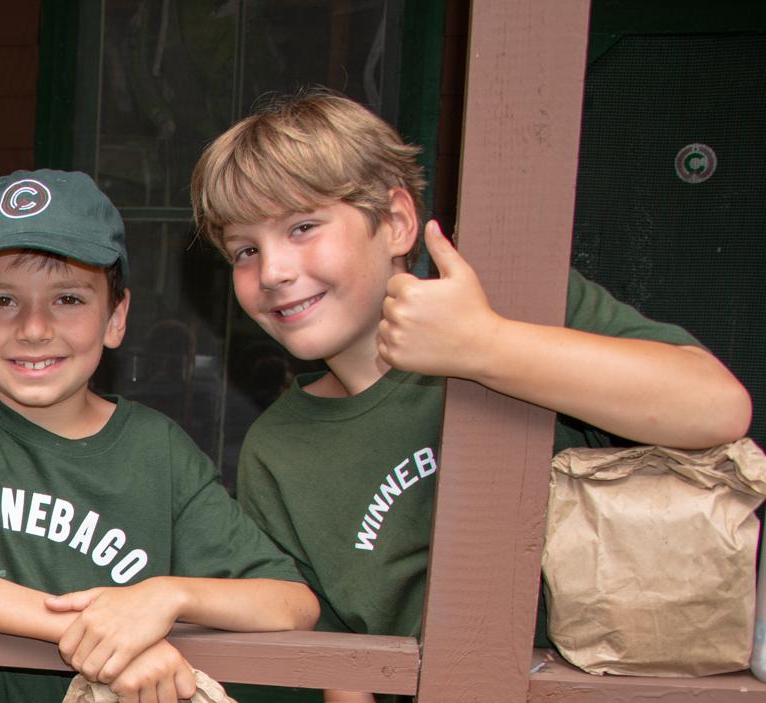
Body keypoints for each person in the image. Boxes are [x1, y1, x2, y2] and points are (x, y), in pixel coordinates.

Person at [189, 89, 752, 702]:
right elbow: (339, 667)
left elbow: (717, 406)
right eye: (245, 250)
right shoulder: (279, 449)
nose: (272, 270)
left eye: (303, 227)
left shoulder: (517, 309)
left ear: (398, 221)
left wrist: (488, 346)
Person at [0, 169, 318, 703]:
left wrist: (164, 599)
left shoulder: (157, 449)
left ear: (116, 317)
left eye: (68, 299)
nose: (35, 327)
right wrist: (106, 631)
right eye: (2, 300)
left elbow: (293, 604)